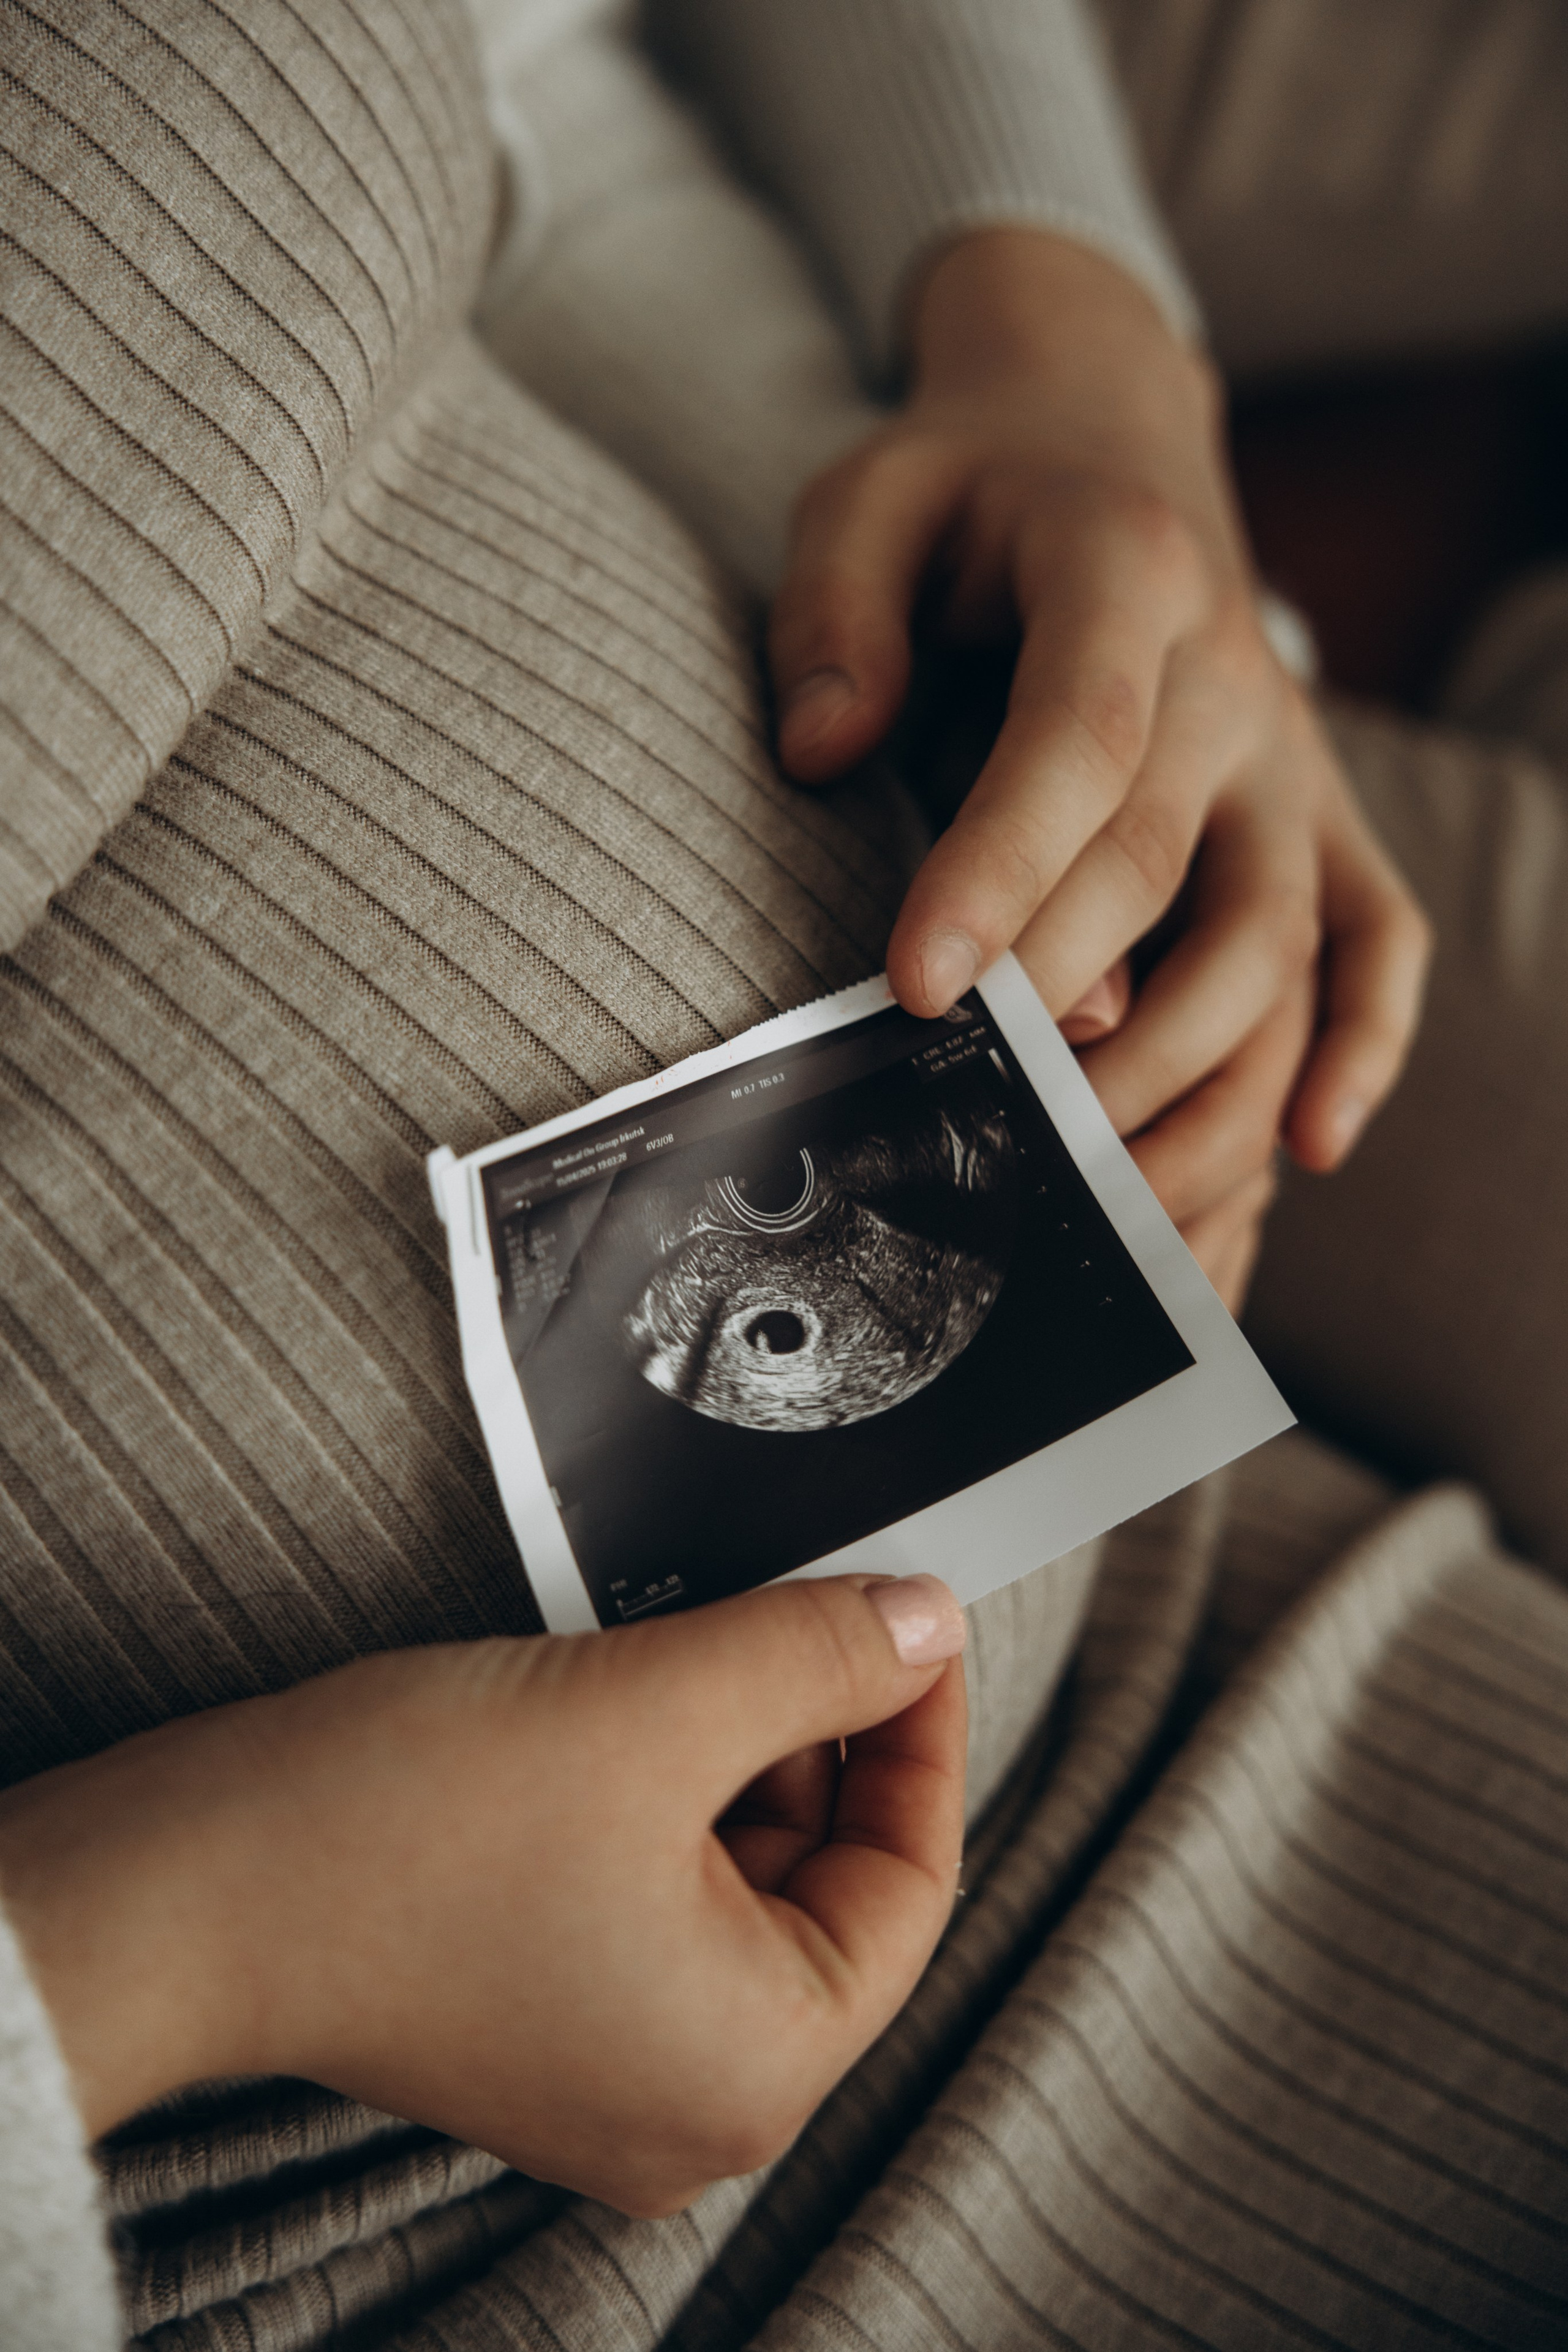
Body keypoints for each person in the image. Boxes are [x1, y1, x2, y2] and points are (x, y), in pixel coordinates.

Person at [0, 4, 1564, 2347]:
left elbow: (522, 81)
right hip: (463, 2231)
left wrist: (1083, 398)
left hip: (1229, 1639)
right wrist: (183, 1942)